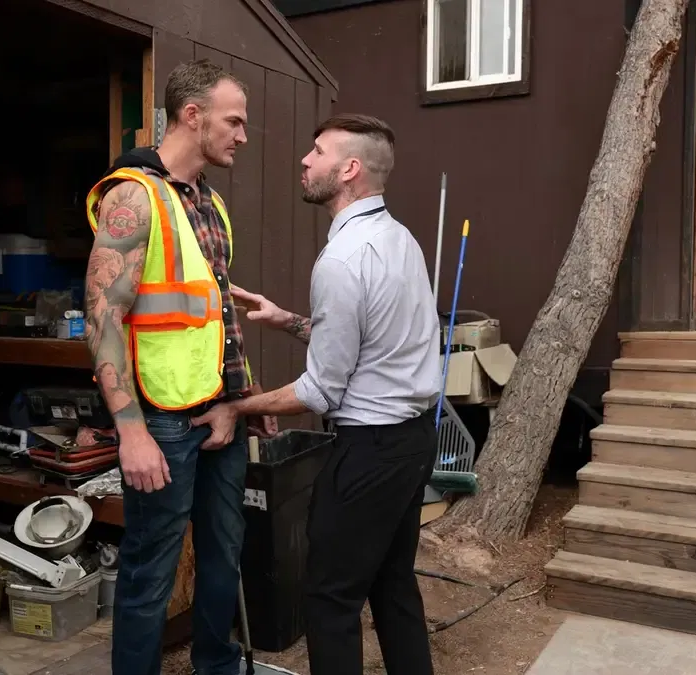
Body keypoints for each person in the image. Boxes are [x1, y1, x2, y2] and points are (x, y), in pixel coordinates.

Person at [193, 113, 440, 675]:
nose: (305, 161)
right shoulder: (399, 240)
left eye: (318, 152)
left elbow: (320, 390)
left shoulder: (342, 260)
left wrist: (236, 405)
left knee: (329, 600)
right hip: (413, 443)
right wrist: (286, 320)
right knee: (394, 585)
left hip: (370, 452)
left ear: (349, 169)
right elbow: (369, 342)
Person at [82, 58, 277, 675]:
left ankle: (217, 666)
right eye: (234, 121)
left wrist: (245, 397)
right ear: (192, 117)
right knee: (152, 566)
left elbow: (214, 314)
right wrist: (130, 431)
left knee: (225, 551)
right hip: (159, 421)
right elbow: (101, 320)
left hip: (218, 411)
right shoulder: (132, 200)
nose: (243, 135)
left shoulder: (211, 207)